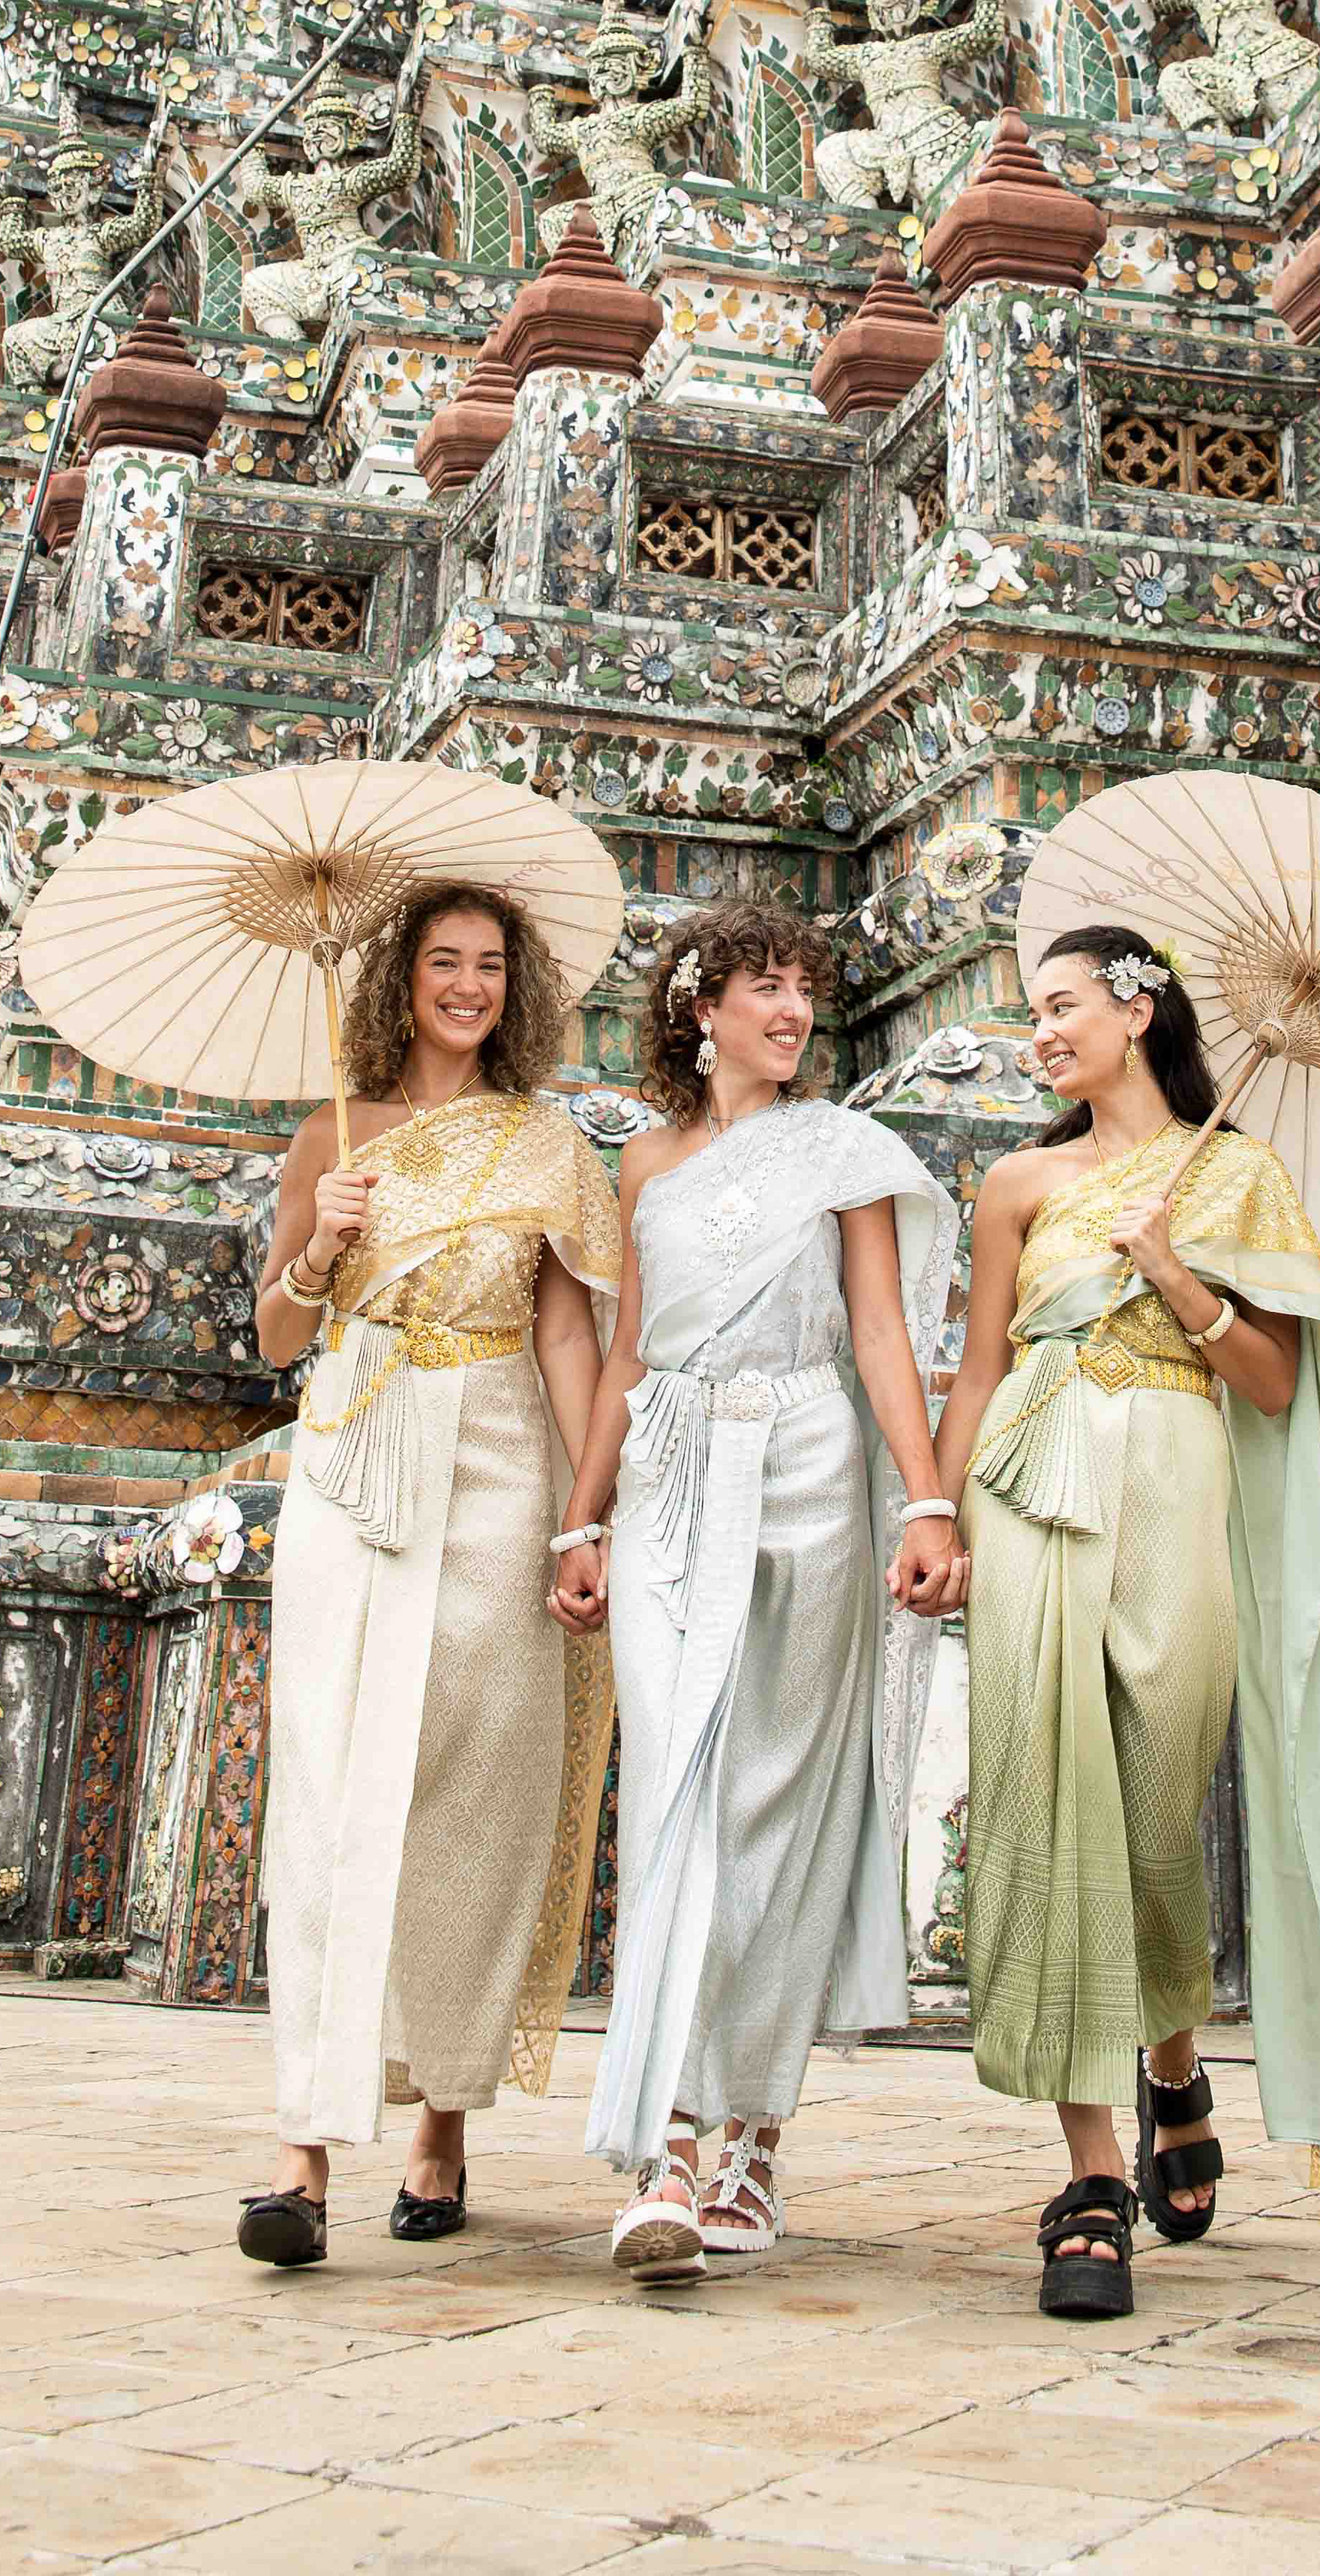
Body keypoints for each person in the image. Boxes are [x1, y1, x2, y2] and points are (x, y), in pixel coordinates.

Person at [933, 923, 1320, 2319]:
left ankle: (1173, 2064)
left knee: (1148, 1812)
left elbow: (1273, 1385)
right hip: (1032, 1469)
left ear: (1138, 1011)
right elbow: (976, 1368)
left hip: (1176, 1466)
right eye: (1035, 1013)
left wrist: (1184, 1276)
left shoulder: (1239, 1172)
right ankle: (1089, 2181)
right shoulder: (1015, 1182)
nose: (1042, 1032)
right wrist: (936, 1514)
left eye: (1063, 1005)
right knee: (1042, 1794)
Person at [550, 905, 962, 2277]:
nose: (791, 1012)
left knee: (784, 1799)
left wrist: (924, 1494)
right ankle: (664, 2145)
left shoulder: (843, 1151)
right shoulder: (645, 1164)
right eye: (762, 988)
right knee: (680, 1789)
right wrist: (579, 1519)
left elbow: (882, 1329)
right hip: (669, 1468)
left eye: (804, 991)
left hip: (807, 1462)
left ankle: (756, 2140)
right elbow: (621, 1355)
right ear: (698, 1009)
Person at [241, 881, 620, 2265]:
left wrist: (587, 1517)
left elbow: (571, 1341)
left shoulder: (544, 1145)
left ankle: (442, 2119)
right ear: (397, 978)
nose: (466, 986)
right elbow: (279, 1339)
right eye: (443, 962)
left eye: (488, 968)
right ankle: (302, 2147)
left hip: (503, 1457)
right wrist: (323, 1241)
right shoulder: (325, 1140)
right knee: (338, 1787)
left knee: (476, 1783)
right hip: (355, 1457)